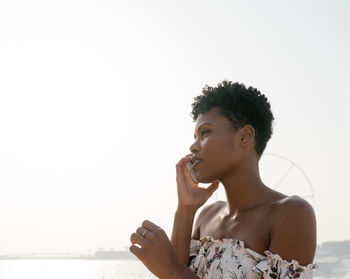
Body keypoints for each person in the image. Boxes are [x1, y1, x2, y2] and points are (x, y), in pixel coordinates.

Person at [129, 81, 317, 279]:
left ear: (244, 136)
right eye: (195, 136)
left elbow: (174, 272)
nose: (193, 146)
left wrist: (171, 271)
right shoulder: (206, 217)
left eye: (205, 132)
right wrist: (185, 209)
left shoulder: (291, 213)